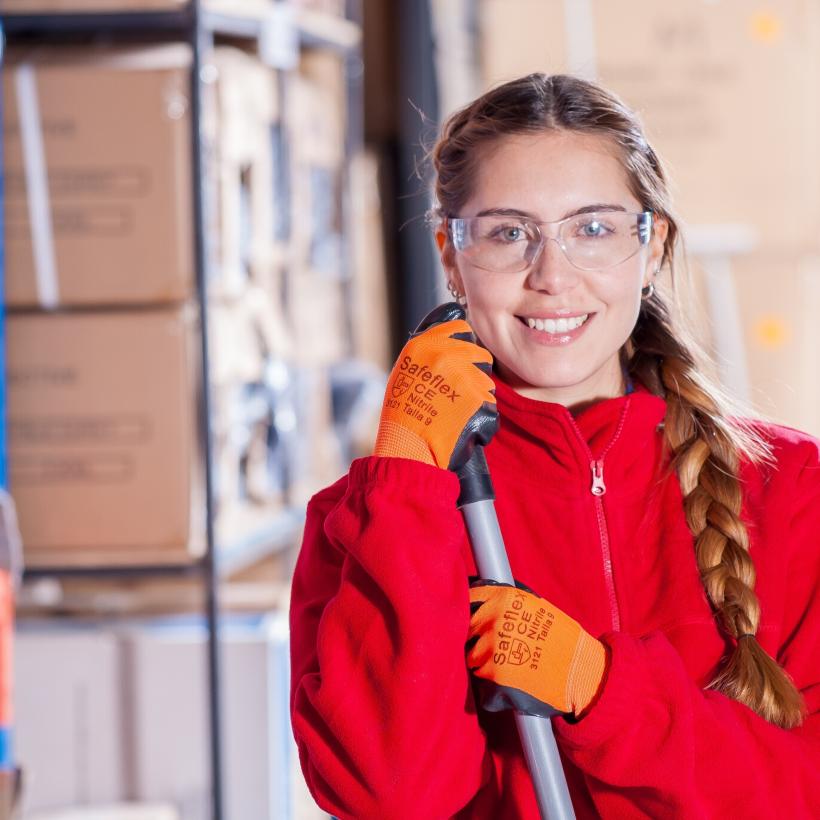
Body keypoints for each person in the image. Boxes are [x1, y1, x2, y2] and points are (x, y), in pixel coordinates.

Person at [288, 73, 819, 819]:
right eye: (509, 233)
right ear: (451, 254)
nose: (553, 276)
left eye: (592, 228)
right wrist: (407, 480)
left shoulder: (791, 487)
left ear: (652, 243)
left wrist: (603, 688)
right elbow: (389, 798)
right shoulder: (370, 517)